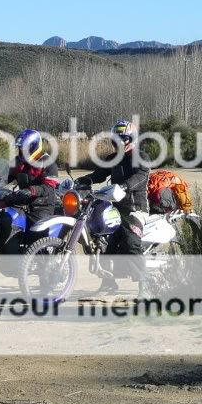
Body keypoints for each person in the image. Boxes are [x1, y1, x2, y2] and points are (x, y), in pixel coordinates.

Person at [80, 120, 152, 298]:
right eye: (116, 139)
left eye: (123, 138)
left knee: (131, 242)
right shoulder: (112, 158)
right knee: (104, 241)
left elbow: (141, 176)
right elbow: (98, 175)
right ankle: (109, 283)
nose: (118, 142)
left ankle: (145, 285)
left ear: (131, 139)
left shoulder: (141, 156)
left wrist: (125, 186)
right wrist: (81, 181)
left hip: (136, 209)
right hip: (116, 208)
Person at [0, 129, 59, 254]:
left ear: (34, 147)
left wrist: (32, 190)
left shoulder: (48, 163)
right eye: (20, 148)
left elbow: (48, 188)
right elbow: (4, 177)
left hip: (41, 206)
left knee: (36, 236)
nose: (22, 151)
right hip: (22, 202)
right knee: (3, 220)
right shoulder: (19, 162)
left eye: (25, 148)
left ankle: (40, 258)